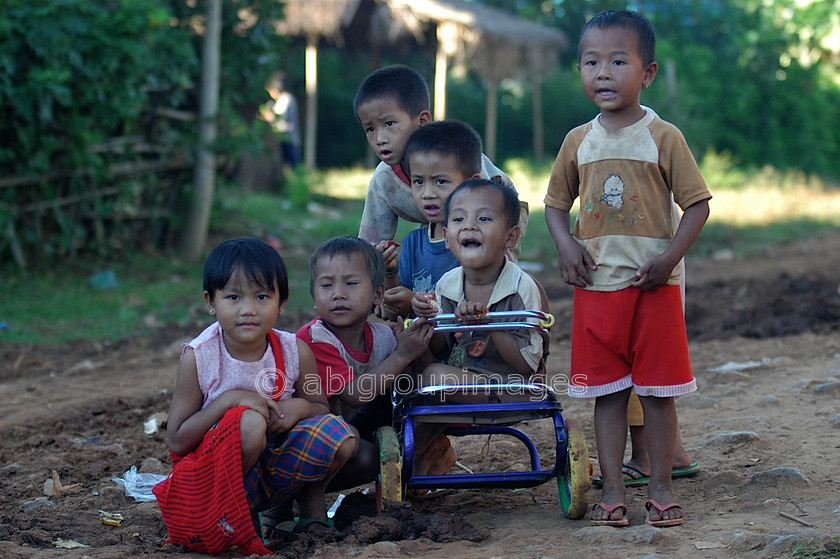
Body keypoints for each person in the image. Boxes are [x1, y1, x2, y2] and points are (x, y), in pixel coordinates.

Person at [543, 10, 711, 527]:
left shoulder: (663, 137)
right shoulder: (578, 141)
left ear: (648, 73)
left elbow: (698, 205)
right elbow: (553, 205)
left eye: (618, 61)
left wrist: (668, 260)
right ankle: (613, 490)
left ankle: (660, 486)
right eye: (591, 62)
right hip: (597, 289)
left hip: (655, 289)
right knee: (608, 393)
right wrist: (566, 245)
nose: (604, 73)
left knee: (659, 395)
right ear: (580, 71)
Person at [153, 238, 356, 554]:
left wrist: (295, 408)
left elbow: (320, 407)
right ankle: (236, 517)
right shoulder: (200, 356)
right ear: (211, 301)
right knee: (248, 422)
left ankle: (307, 511)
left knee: (340, 435)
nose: (248, 309)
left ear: (282, 303)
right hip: (215, 475)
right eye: (233, 297)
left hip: (275, 468)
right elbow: (177, 440)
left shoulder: (294, 351)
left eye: (262, 296)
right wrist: (229, 401)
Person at [412, 179, 549, 468]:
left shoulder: (521, 288)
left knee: (435, 377)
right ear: (448, 237)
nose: (470, 226)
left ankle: (419, 453)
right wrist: (428, 318)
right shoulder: (448, 284)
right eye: (459, 218)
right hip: (465, 379)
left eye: (484, 218)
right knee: (408, 353)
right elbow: (442, 348)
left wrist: (490, 325)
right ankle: (426, 453)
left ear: (511, 238)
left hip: (514, 389)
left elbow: (527, 365)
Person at [297, 236, 442, 481]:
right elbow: (355, 394)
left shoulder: (383, 336)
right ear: (313, 297)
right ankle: (287, 505)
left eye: (351, 283)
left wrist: (418, 341)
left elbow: (421, 378)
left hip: (350, 433)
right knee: (366, 455)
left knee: (409, 405)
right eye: (326, 286)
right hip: (307, 441)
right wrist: (403, 353)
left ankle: (430, 453)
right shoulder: (314, 338)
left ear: (378, 295)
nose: (338, 294)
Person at [353, 65, 527, 261]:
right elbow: (370, 244)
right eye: (370, 129)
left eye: (389, 124)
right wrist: (375, 258)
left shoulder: (451, 156)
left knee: (486, 266)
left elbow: (486, 213)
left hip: (499, 211)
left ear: (422, 120)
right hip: (438, 218)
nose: (380, 138)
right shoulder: (383, 180)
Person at [375, 119, 483, 319]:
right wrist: (390, 273)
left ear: (471, 184)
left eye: (440, 181)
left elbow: (480, 308)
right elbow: (398, 312)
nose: (427, 193)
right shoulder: (413, 243)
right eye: (418, 182)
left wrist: (415, 301)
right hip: (424, 344)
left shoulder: (478, 242)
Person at [261, 71, 301, 167]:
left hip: (288, 138)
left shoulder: (285, 98)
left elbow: (279, 117)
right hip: (286, 138)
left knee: (292, 165)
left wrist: (267, 116)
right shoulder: (284, 99)